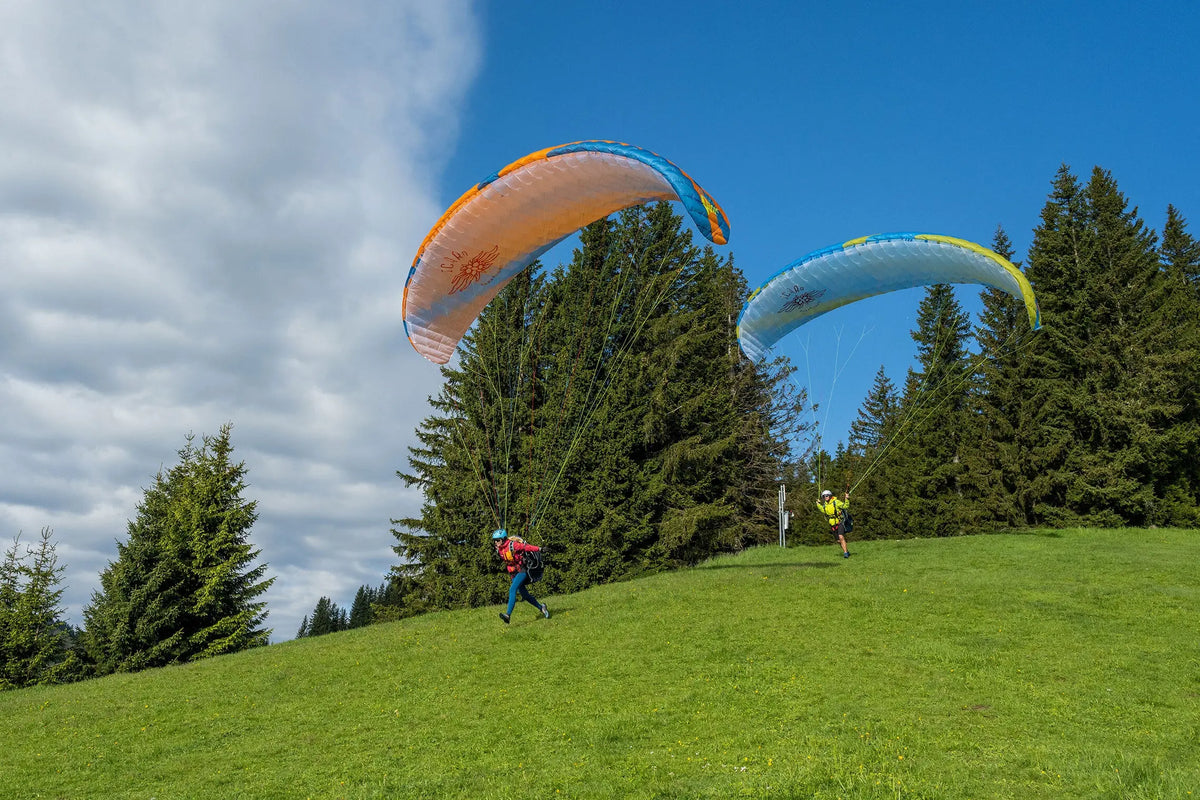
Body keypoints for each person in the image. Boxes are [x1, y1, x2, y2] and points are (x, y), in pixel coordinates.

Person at [493, 529, 549, 624]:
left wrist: (540, 549)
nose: (496, 542)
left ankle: (508, 615)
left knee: (512, 589)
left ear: (503, 539)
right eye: (494, 541)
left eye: (498, 540)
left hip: (522, 571)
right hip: (513, 574)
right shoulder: (499, 549)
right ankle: (542, 608)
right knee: (525, 595)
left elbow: (526, 547)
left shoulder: (513, 545)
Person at [816, 489, 851, 558]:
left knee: (841, 536)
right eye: (824, 496)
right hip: (832, 523)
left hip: (839, 521)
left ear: (830, 496)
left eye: (827, 495)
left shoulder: (836, 502)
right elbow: (823, 510)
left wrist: (847, 499)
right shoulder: (825, 505)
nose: (825, 497)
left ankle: (845, 553)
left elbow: (845, 506)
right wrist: (818, 504)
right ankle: (846, 551)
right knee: (838, 540)